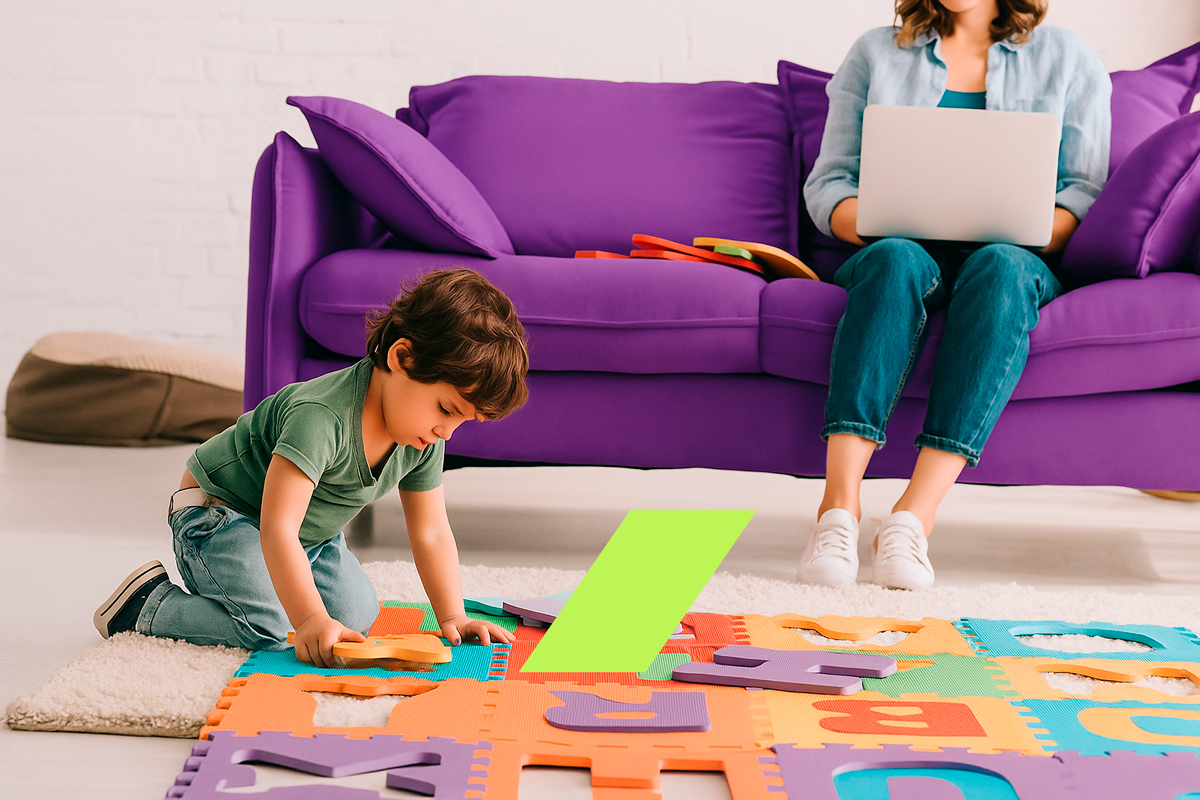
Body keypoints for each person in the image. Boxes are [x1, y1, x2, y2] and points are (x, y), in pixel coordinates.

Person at [798, 0, 1110, 590]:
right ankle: (837, 511)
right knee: (894, 259)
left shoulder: (1069, 59)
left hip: (1014, 257)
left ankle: (914, 518)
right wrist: (881, 217)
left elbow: (1083, 191)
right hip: (902, 248)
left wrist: (1031, 228)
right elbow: (830, 183)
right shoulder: (874, 51)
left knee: (1000, 268)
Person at [94, 268, 529, 666]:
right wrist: (306, 620)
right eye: (447, 409)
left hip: (307, 535)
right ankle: (147, 604)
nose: (448, 432)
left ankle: (286, 597)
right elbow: (276, 527)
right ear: (402, 358)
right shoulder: (321, 416)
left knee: (354, 619)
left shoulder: (421, 436)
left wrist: (453, 614)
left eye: (462, 421)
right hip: (221, 513)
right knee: (272, 626)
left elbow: (431, 531)